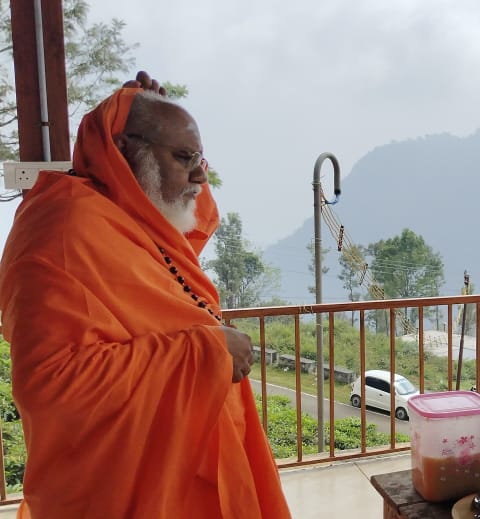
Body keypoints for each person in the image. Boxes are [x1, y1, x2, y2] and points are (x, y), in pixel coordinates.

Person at [0, 72, 290, 518]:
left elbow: (188, 228)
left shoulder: (128, 215)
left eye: (200, 158)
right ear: (124, 151)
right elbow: (53, 387)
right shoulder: (64, 228)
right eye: (184, 157)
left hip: (189, 464)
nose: (200, 175)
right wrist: (206, 353)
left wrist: (147, 113)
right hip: (125, 491)